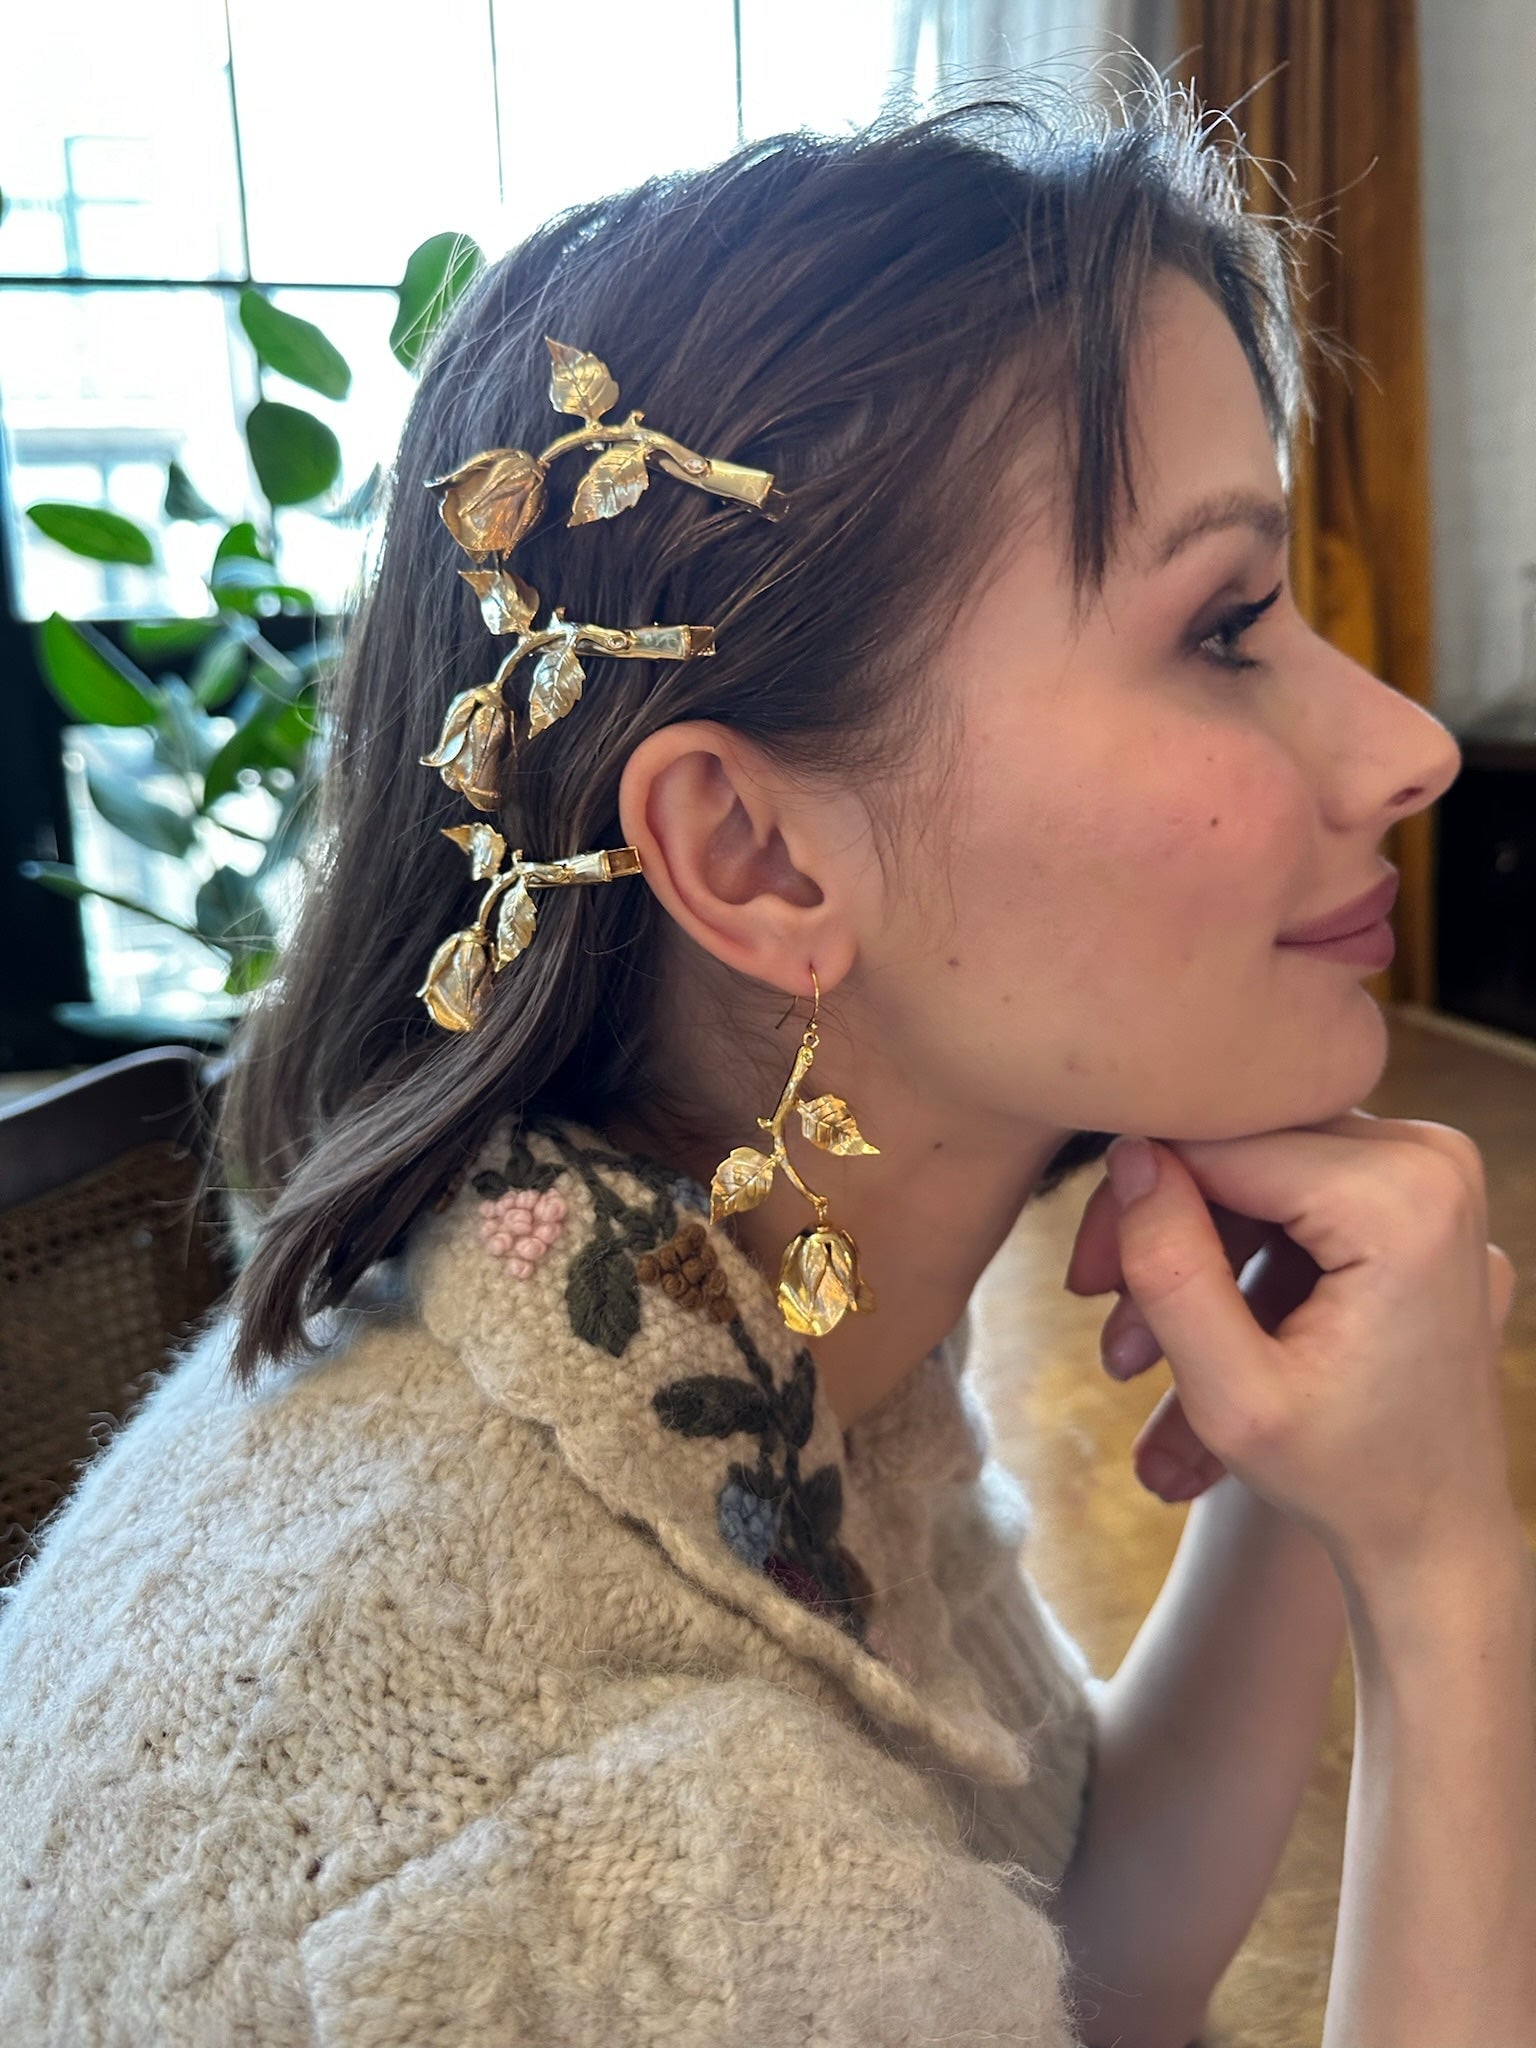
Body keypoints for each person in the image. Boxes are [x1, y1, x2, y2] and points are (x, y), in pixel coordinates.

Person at [1, 70, 1531, 2048]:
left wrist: (1314, 1492)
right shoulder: (614, 1864)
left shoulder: (674, 1313)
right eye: (1222, 628)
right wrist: (1453, 1587)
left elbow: (1078, 1965)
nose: (1410, 744)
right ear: (752, 855)